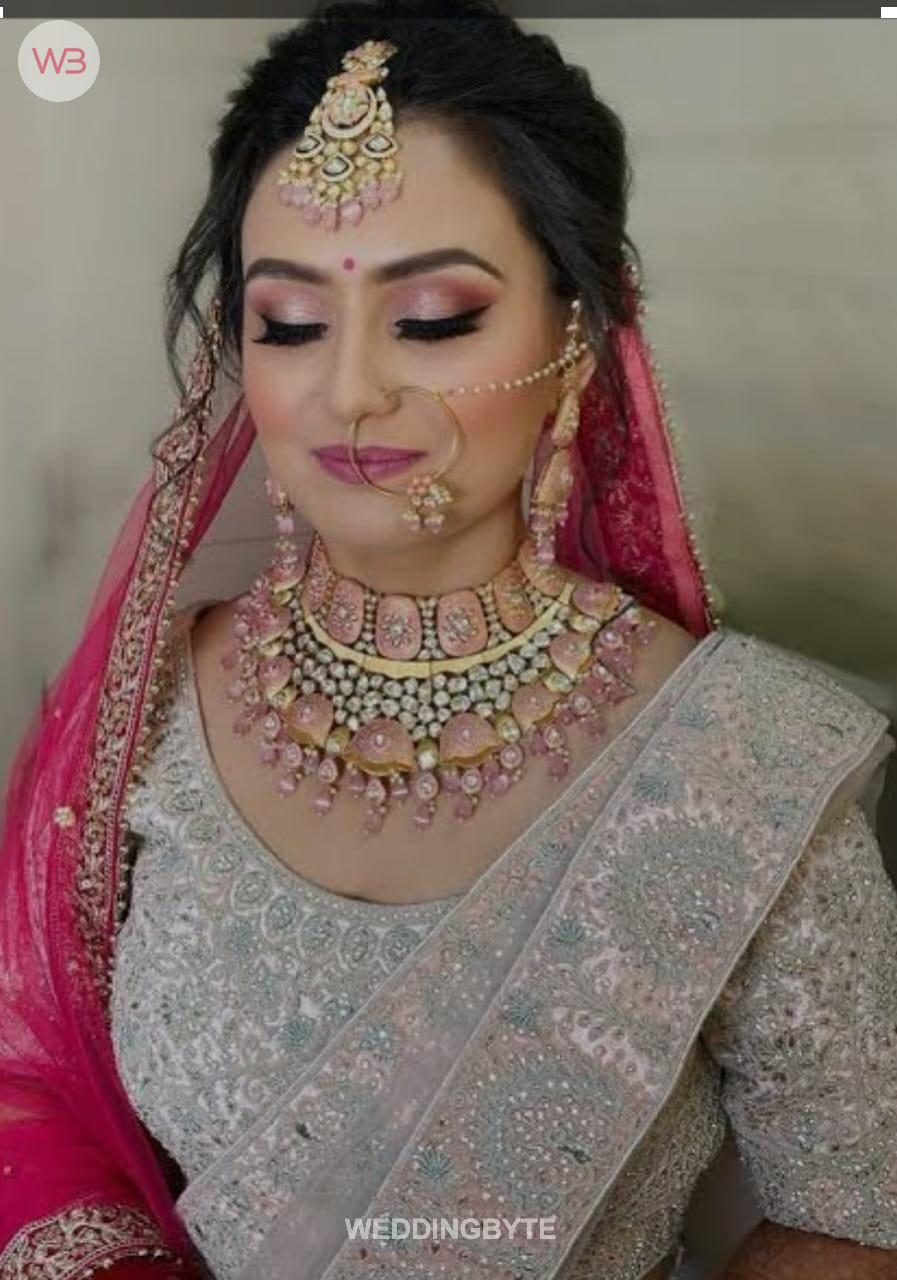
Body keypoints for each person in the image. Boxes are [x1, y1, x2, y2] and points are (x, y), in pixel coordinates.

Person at [2, 3, 896, 1279]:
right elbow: (28, 1077)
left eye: (431, 318)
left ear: (578, 336)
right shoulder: (136, 715)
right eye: (289, 324)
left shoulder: (743, 764)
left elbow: (854, 1208)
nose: (350, 390)